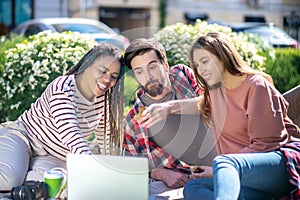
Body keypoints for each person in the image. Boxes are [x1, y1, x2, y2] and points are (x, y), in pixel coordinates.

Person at [179, 32, 300, 199]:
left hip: (281, 165)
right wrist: (166, 108)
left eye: (205, 61)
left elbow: (267, 145)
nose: (200, 70)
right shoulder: (215, 91)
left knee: (223, 162)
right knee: (193, 187)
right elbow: (199, 105)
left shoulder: (257, 86)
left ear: (223, 56)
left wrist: (219, 168)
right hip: (244, 174)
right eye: (196, 65)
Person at [0, 42, 124, 191]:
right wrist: (94, 168)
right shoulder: (62, 89)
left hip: (53, 156)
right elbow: (71, 134)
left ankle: (23, 169)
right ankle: (16, 167)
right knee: (8, 180)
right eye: (102, 71)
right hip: (24, 137)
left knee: (55, 185)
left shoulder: (103, 101)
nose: (107, 79)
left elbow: (106, 139)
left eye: (113, 76)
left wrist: (116, 168)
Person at [123, 38, 216, 199]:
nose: (148, 76)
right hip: (173, 182)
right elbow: (134, 166)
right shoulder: (133, 120)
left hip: (216, 167)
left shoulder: (183, 76)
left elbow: (214, 104)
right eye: (139, 71)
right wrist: (160, 173)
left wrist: (170, 108)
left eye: (152, 67)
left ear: (165, 65)